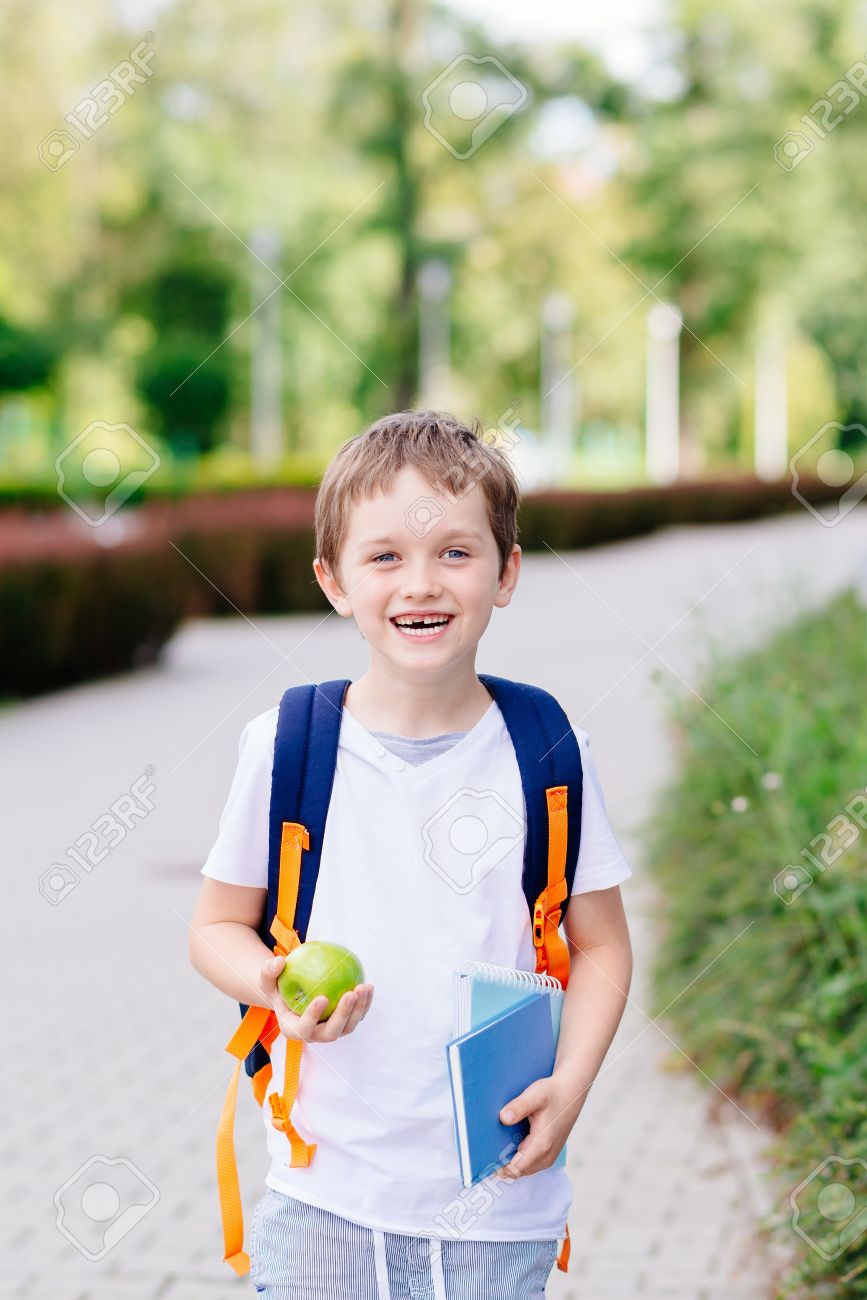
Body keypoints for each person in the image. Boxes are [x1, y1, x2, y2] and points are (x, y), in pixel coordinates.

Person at [188, 410, 634, 1299]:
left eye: (456, 553)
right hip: (323, 1196)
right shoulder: (287, 744)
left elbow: (602, 945)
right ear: (333, 580)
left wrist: (571, 1087)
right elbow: (215, 929)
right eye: (384, 556)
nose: (420, 584)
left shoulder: (547, 747)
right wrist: (269, 984)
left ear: (506, 573)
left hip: (497, 1200)